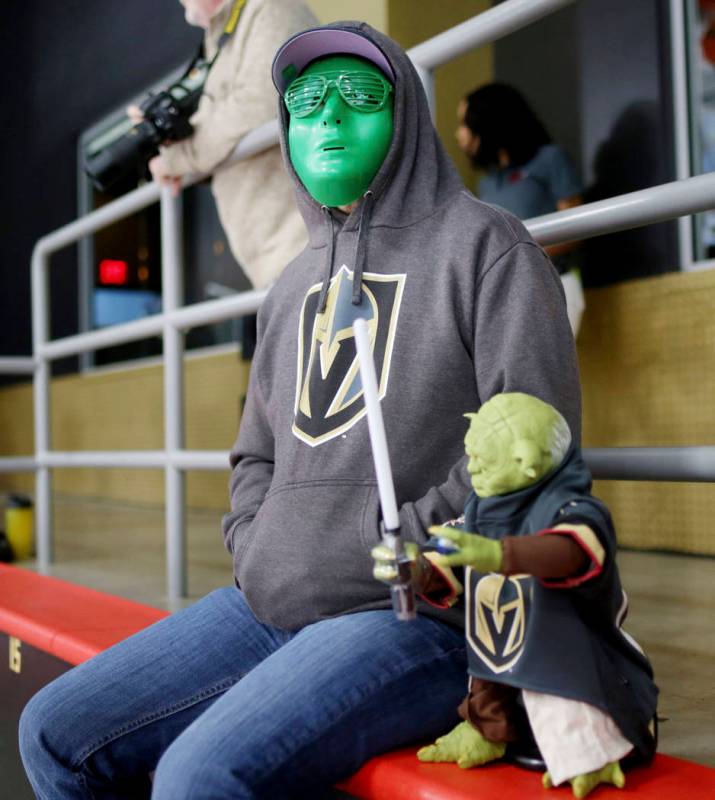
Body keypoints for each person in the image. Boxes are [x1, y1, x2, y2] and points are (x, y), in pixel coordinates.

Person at [19, 22, 581, 799]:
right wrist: (260, 546)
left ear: (406, 114)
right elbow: (254, 457)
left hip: (416, 614)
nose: (327, 120)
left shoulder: (488, 248)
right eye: (306, 104)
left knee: (198, 778)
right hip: (266, 601)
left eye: (358, 97)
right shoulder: (289, 287)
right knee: (53, 731)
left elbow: (533, 452)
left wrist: (405, 551)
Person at [374, 393, 657, 798]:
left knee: (567, 705)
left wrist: (498, 554)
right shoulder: (481, 508)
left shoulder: (573, 507)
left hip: (564, 648)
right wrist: (415, 568)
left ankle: (594, 753)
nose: (471, 469)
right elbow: (450, 559)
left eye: (483, 462)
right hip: (498, 639)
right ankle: (486, 731)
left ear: (526, 462)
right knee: (487, 682)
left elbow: (573, 550)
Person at [132, 0, 317, 290]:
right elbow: (223, 125)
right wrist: (178, 152)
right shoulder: (225, 32)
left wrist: (178, 158)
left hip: (302, 246)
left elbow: (259, 101)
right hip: (276, 260)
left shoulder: (268, 7)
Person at [455, 82, 586, 334]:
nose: (459, 134)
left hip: (552, 282)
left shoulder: (549, 159)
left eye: (465, 122)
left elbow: (576, 230)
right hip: (503, 292)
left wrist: (517, 253)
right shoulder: (487, 183)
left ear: (488, 120)